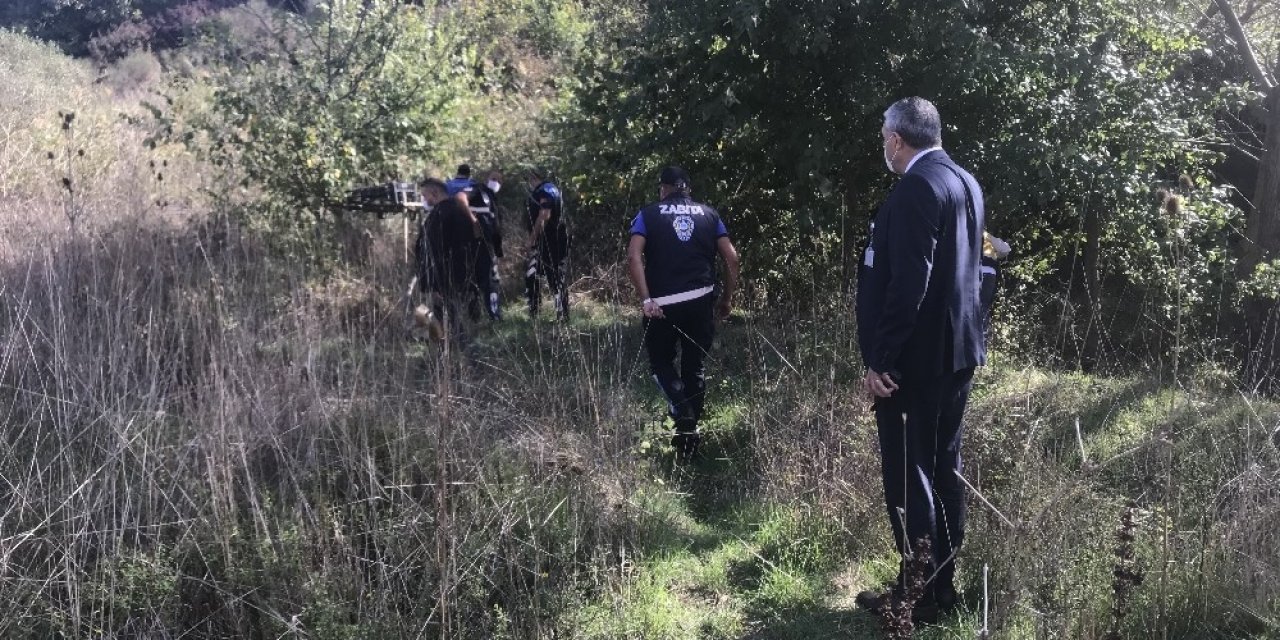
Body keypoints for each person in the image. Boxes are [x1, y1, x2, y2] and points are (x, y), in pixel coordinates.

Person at [854, 97, 986, 622]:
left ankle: (917, 596)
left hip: (917, 362)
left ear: (898, 139)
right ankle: (940, 588)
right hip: (957, 353)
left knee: (912, 475)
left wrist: (881, 358)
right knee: (942, 468)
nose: (883, 144)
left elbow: (910, 283)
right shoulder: (964, 180)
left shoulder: (915, 188)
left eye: (885, 135)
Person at [628, 166, 739, 460]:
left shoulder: (648, 214)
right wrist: (726, 298)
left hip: (662, 304)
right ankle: (689, 444)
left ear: (664, 188)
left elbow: (633, 255)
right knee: (694, 366)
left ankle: (681, 407)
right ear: (687, 188)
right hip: (701, 300)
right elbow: (732, 257)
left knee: (660, 363)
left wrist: (646, 298)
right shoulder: (710, 215)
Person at [416, 177, 483, 342]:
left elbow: (438, 250)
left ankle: (460, 348)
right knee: (449, 314)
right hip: (460, 274)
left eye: (425, 196)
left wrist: (437, 283)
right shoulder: (458, 210)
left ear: (435, 193)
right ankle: (448, 345)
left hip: (446, 277)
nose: (424, 200)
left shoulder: (441, 214)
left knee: (449, 315)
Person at [523, 167, 570, 320]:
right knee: (532, 274)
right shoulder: (547, 189)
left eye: (529, 177)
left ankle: (562, 315)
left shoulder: (546, 190)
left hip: (551, 240)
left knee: (555, 276)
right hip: (546, 240)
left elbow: (544, 215)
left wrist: (532, 239)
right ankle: (534, 312)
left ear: (534, 176)